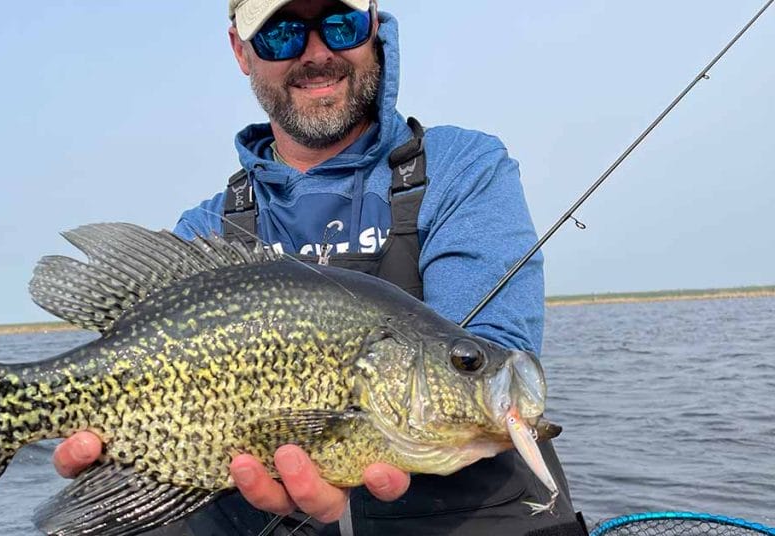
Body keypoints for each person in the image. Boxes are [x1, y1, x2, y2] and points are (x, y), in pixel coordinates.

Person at [54, 1, 587, 534]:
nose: (316, 53)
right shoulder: (206, 229)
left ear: (375, 29)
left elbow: (484, 343)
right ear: (241, 50)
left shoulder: (460, 167)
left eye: (339, 24)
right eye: (281, 34)